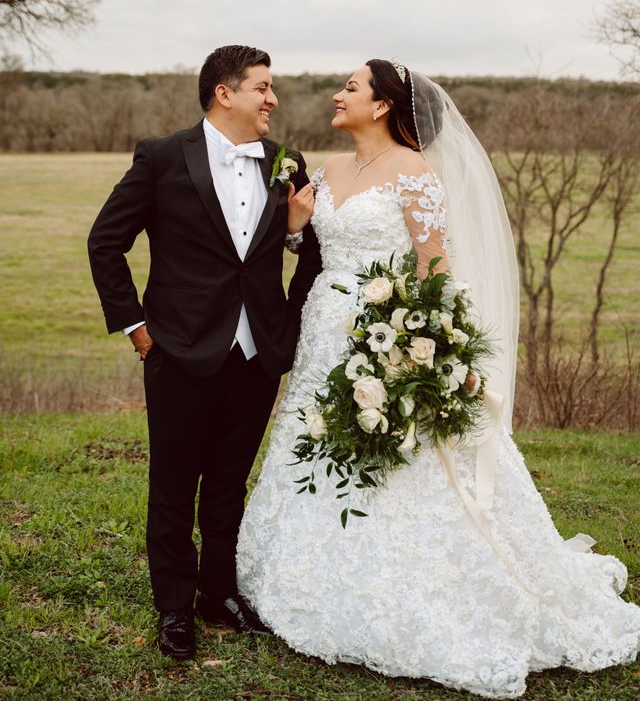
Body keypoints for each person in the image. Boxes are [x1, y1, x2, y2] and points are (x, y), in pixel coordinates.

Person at [237, 59, 640, 699]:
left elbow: (433, 266)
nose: (337, 95)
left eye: (350, 88)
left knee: (397, 451)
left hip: (384, 330)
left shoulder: (414, 172)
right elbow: (311, 248)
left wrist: (426, 347)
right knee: (317, 435)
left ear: (382, 105)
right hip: (322, 330)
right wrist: (291, 230)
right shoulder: (327, 169)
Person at [88, 45, 321, 660]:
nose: (273, 99)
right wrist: (137, 328)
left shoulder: (286, 162)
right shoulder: (162, 156)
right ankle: (174, 606)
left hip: (256, 352)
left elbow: (309, 251)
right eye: (262, 87)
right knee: (172, 484)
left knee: (228, 482)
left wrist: (293, 260)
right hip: (178, 349)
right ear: (225, 92)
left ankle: (219, 594)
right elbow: (105, 242)